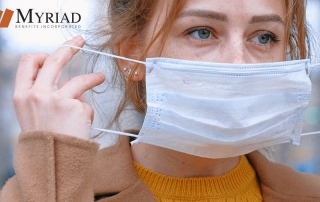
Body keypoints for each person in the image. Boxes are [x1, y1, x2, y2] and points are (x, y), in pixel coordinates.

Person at [1, 0, 320, 201]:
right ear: (132, 56)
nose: (238, 63)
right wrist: (56, 171)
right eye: (202, 32)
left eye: (264, 37)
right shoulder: (36, 191)